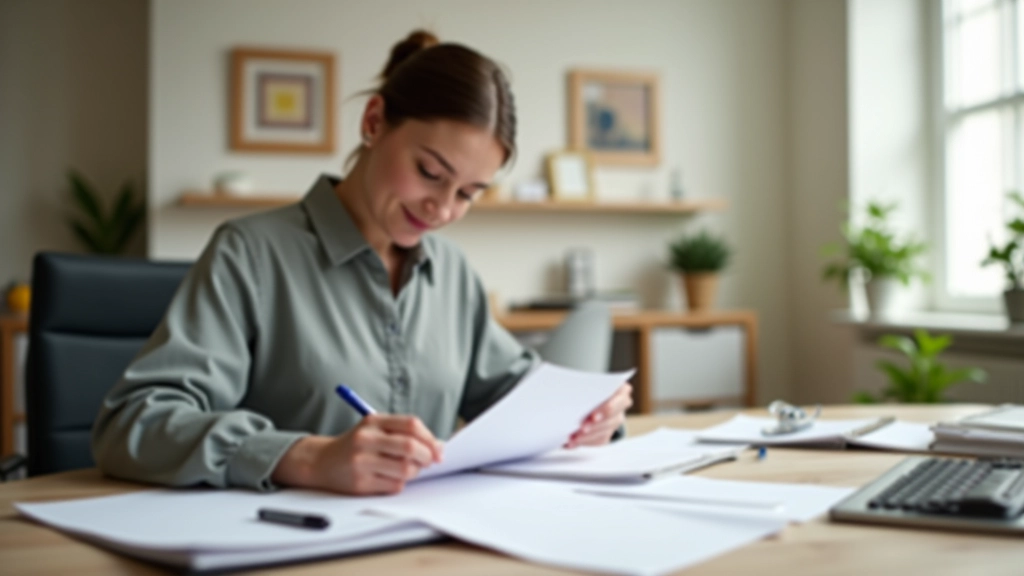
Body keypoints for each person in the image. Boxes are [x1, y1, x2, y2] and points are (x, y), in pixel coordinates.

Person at [92, 30, 633, 496]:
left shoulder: (451, 272)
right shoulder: (250, 253)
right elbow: (133, 422)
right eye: (429, 172)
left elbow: (517, 396)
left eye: (469, 193)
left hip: (423, 550)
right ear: (374, 122)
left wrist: (588, 416)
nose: (442, 209)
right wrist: (306, 457)